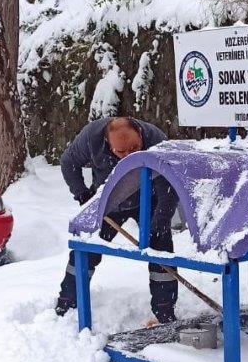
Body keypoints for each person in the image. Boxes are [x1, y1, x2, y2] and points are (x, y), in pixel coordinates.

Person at [55, 116, 179, 323]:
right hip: (108, 201)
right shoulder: (91, 137)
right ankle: (67, 303)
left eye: (134, 148)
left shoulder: (156, 140)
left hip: (148, 199)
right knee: (86, 250)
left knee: (161, 251)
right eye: (121, 152)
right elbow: (68, 162)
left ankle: (165, 310)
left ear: (140, 135)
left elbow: (169, 186)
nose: (128, 157)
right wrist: (82, 194)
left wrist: (160, 222)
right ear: (107, 141)